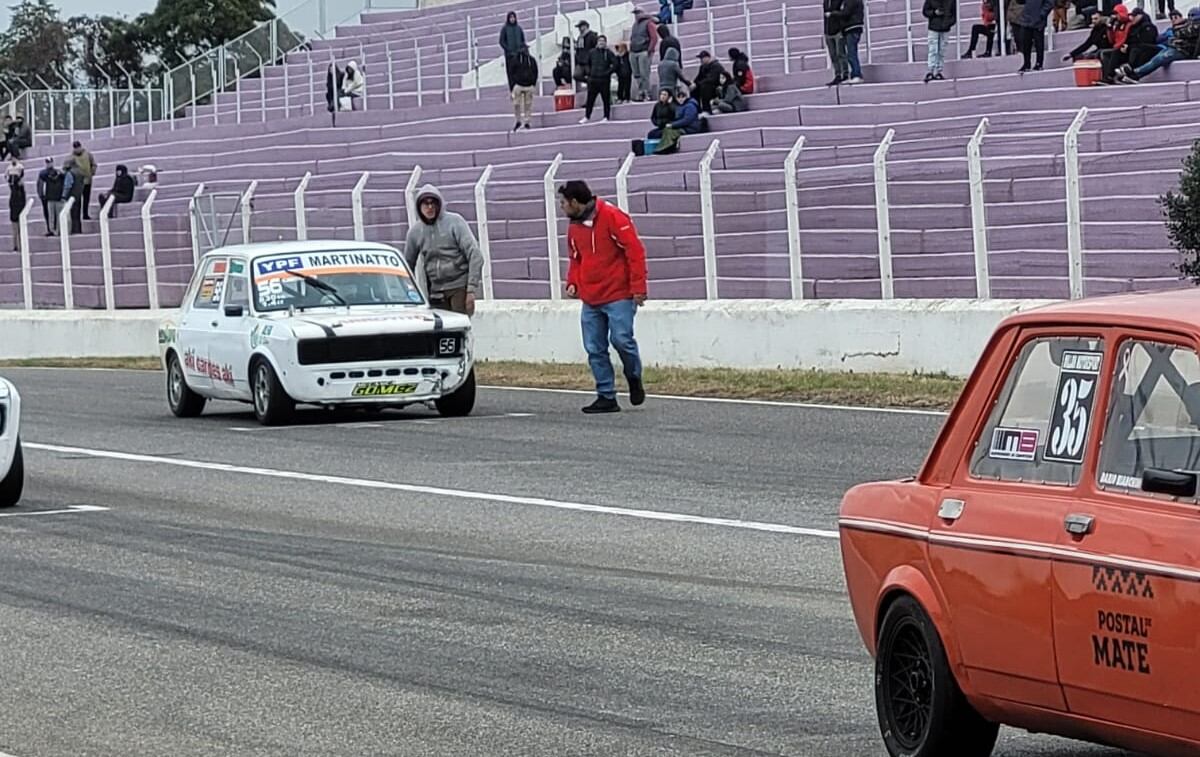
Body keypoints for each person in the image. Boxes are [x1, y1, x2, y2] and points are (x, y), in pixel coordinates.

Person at [558, 179, 647, 414]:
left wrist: (638, 287)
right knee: (594, 347)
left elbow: (635, 251)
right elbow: (576, 258)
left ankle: (633, 375)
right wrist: (573, 282)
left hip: (619, 294)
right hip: (591, 297)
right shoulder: (574, 227)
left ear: (575, 202)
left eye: (563, 203)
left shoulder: (612, 216)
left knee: (621, 340)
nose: (562, 208)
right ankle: (606, 395)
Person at [403, 184, 484, 316]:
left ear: (439, 204)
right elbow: (407, 267)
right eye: (425, 203)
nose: (430, 207)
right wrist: (408, 294)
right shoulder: (415, 232)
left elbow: (475, 254)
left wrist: (471, 290)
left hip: (459, 287)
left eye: (433, 203)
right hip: (435, 291)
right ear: (418, 207)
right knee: (442, 332)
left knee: (459, 328)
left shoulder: (455, 222)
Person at [1116, 6, 1200, 81]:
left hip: (1184, 50)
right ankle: (1133, 72)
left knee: (1157, 60)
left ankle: (1135, 73)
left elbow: (1182, 32)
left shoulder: (1196, 26)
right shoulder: (1186, 24)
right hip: (1175, 47)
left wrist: (1177, 30)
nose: (1190, 18)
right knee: (1154, 58)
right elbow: (1164, 36)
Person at [580, 35, 618, 123]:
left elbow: (615, 64)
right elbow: (587, 64)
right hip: (593, 80)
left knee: (605, 99)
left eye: (603, 41)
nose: (601, 42)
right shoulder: (592, 52)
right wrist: (589, 73)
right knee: (590, 100)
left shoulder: (608, 53)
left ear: (605, 42)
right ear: (597, 42)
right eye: (600, 41)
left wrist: (607, 73)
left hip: (604, 80)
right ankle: (587, 116)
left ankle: (606, 117)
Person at [1015, 0, 1055, 71]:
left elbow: (1050, 3)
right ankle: (1026, 63)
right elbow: (1020, 2)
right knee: (1025, 42)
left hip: (1038, 20)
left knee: (1039, 42)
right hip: (1027, 18)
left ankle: (1039, 63)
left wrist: (1042, 14)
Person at [923, 0, 957, 80]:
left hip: (945, 28)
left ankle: (938, 71)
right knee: (933, 49)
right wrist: (934, 13)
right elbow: (925, 11)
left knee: (942, 50)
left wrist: (948, 23)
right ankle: (931, 70)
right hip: (933, 27)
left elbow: (954, 15)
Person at [629, 8, 658, 101]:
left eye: (638, 13)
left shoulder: (649, 23)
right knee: (636, 74)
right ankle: (641, 91)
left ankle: (646, 93)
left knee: (644, 74)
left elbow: (654, 38)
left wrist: (649, 50)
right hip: (634, 51)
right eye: (635, 13)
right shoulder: (634, 25)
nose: (636, 15)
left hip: (643, 51)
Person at [508, 44, 539, 131]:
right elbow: (511, 73)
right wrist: (513, 85)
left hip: (528, 85)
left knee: (528, 105)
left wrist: (533, 84)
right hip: (518, 85)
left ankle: (527, 122)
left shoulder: (531, 60)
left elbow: (535, 71)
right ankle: (518, 120)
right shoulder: (515, 60)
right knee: (516, 104)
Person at [833, 0, 865, 83]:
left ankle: (857, 75)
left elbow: (846, 13)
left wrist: (834, 14)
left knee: (852, 53)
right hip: (850, 29)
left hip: (853, 28)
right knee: (850, 53)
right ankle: (854, 74)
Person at [824, 0, 850, 85]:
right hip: (828, 31)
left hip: (838, 30)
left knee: (841, 53)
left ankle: (845, 74)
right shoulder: (826, 1)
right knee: (833, 55)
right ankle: (838, 75)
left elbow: (843, 13)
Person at [36, 157, 64, 236]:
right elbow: (39, 185)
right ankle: (49, 229)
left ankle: (56, 229)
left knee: (54, 214)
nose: (49, 164)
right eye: (47, 162)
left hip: (54, 196)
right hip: (45, 196)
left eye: (50, 162)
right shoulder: (43, 174)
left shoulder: (58, 173)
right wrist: (40, 194)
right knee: (47, 213)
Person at [499, 11, 526, 89]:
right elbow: (501, 41)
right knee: (511, 73)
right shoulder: (505, 29)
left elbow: (522, 40)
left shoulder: (519, 28)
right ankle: (512, 89)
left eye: (513, 17)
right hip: (510, 56)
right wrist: (508, 49)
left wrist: (522, 48)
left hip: (518, 55)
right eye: (511, 17)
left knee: (519, 72)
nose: (512, 19)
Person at [70, 141, 96, 220]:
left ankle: (85, 214)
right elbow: (67, 168)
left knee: (86, 198)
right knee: (78, 200)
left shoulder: (88, 155)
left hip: (87, 180)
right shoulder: (71, 157)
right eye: (75, 148)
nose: (77, 149)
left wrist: (92, 172)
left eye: (78, 147)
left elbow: (93, 164)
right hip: (78, 182)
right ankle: (77, 216)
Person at [62, 158, 84, 235]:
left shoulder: (70, 173)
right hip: (78, 195)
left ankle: (74, 230)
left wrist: (64, 196)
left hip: (71, 196)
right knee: (77, 214)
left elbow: (68, 185)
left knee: (73, 214)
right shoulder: (80, 172)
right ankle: (78, 229)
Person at [7, 158, 24, 252]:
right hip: (15, 212)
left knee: (18, 231)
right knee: (16, 231)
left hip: (18, 211)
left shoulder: (18, 190)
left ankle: (19, 245)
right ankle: (16, 246)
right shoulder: (14, 190)